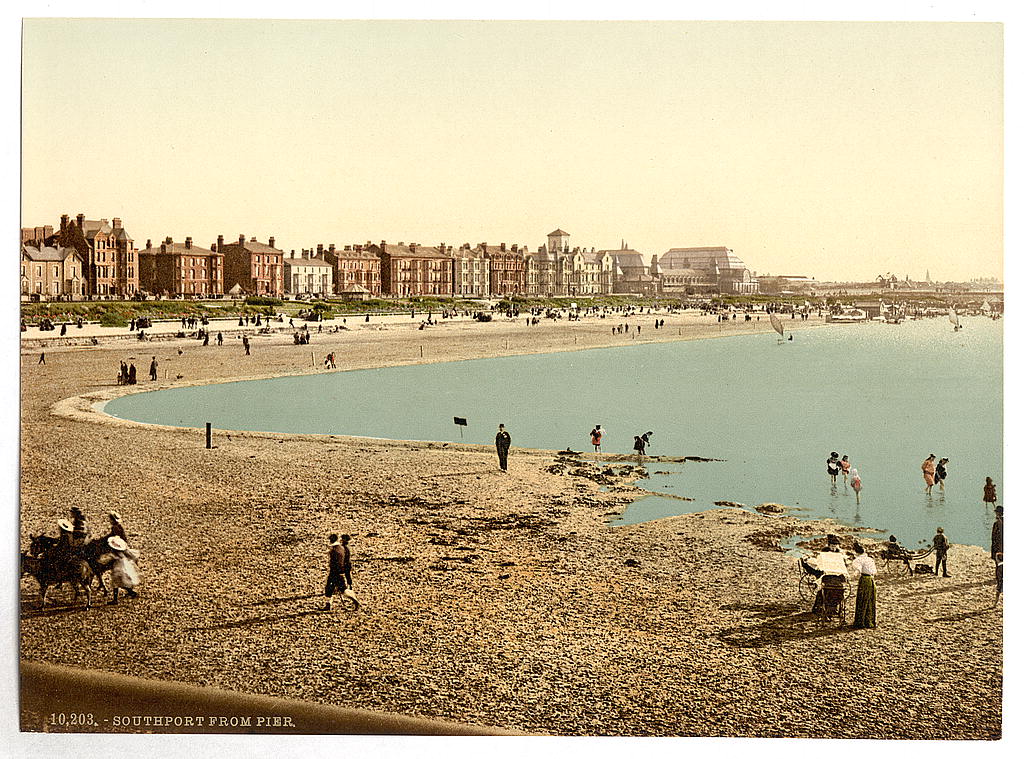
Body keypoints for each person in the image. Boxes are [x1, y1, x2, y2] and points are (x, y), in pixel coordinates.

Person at [100, 536, 140, 604]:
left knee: (115, 584)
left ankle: (116, 600)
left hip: (118, 568)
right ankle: (131, 592)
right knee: (121, 582)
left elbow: (107, 560)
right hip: (124, 567)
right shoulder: (122, 552)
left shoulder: (114, 554)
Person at [323, 533, 358, 611]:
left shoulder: (334, 550)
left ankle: (355, 600)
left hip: (334, 572)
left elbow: (333, 562)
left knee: (341, 589)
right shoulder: (341, 548)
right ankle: (328, 605)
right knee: (330, 588)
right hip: (340, 572)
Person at [850, 543, 877, 629]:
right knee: (870, 600)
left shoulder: (858, 560)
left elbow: (858, 570)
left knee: (862, 600)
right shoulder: (870, 559)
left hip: (864, 580)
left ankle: (860, 622)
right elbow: (874, 571)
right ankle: (869, 621)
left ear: (856, 552)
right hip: (871, 580)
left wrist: (851, 577)